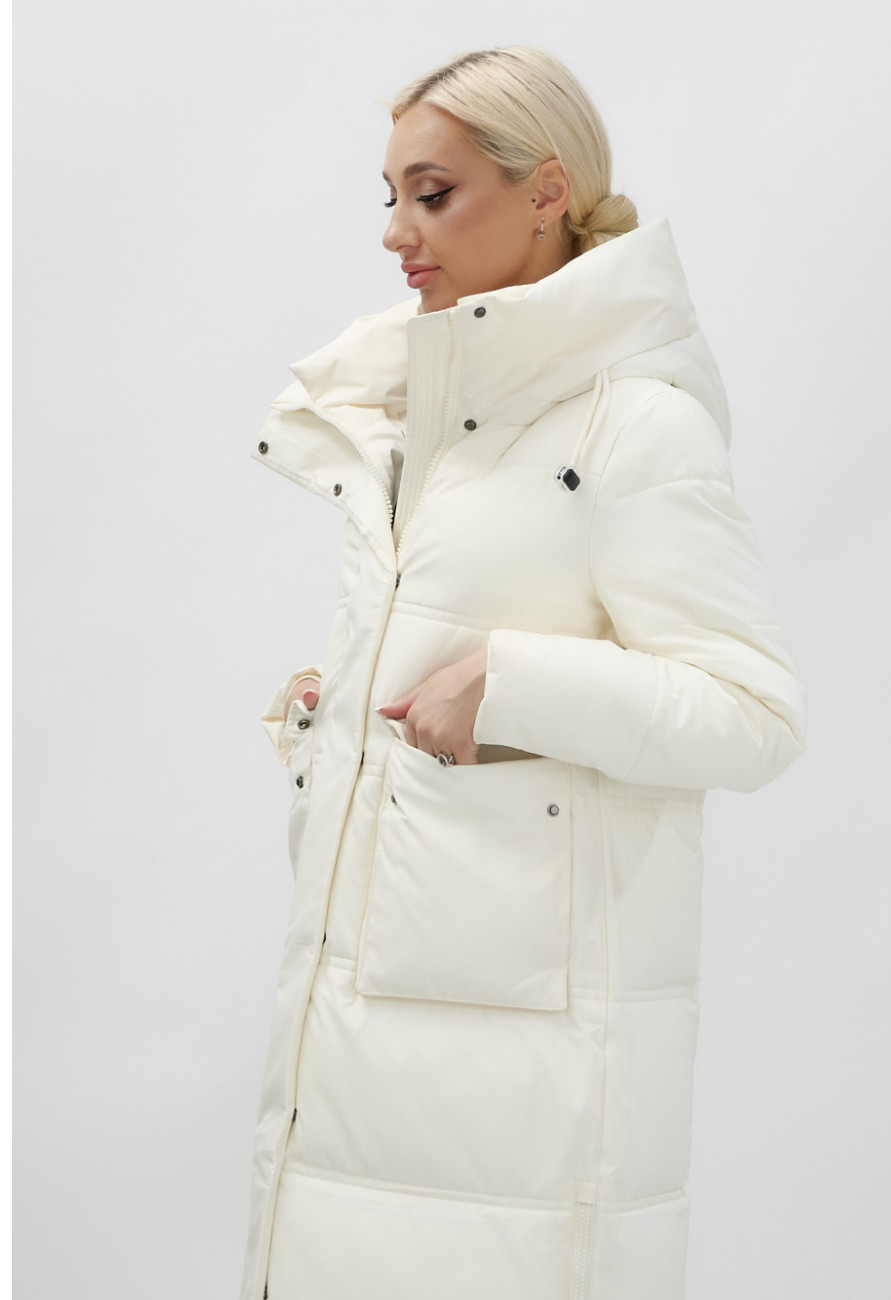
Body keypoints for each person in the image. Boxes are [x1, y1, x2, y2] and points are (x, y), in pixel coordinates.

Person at [243, 46, 806, 1300]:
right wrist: (339, 722)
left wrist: (508, 681)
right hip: (357, 1036)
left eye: (432, 193)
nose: (395, 232)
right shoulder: (420, 414)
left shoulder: (633, 421)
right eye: (389, 196)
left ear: (547, 190)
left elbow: (754, 712)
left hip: (524, 1094)